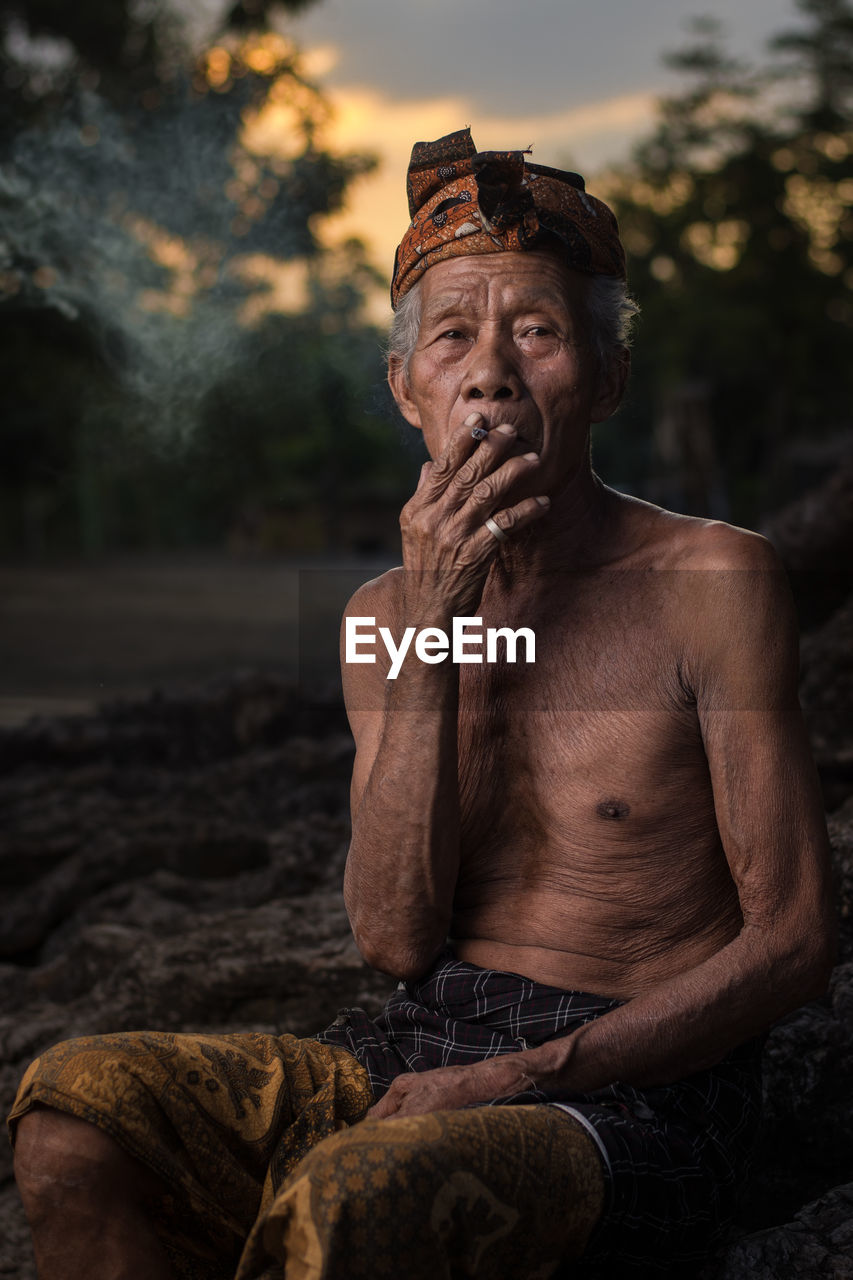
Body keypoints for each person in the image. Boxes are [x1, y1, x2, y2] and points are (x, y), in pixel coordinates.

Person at [8, 128, 836, 1280]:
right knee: (70, 1109)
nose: (490, 371)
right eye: (452, 337)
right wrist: (439, 617)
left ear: (604, 377)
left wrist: (527, 1073)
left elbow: (795, 939)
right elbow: (394, 933)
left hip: (633, 1100)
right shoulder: (380, 614)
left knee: (352, 1196)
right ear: (406, 389)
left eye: (536, 332)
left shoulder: (714, 583)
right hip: (420, 1041)